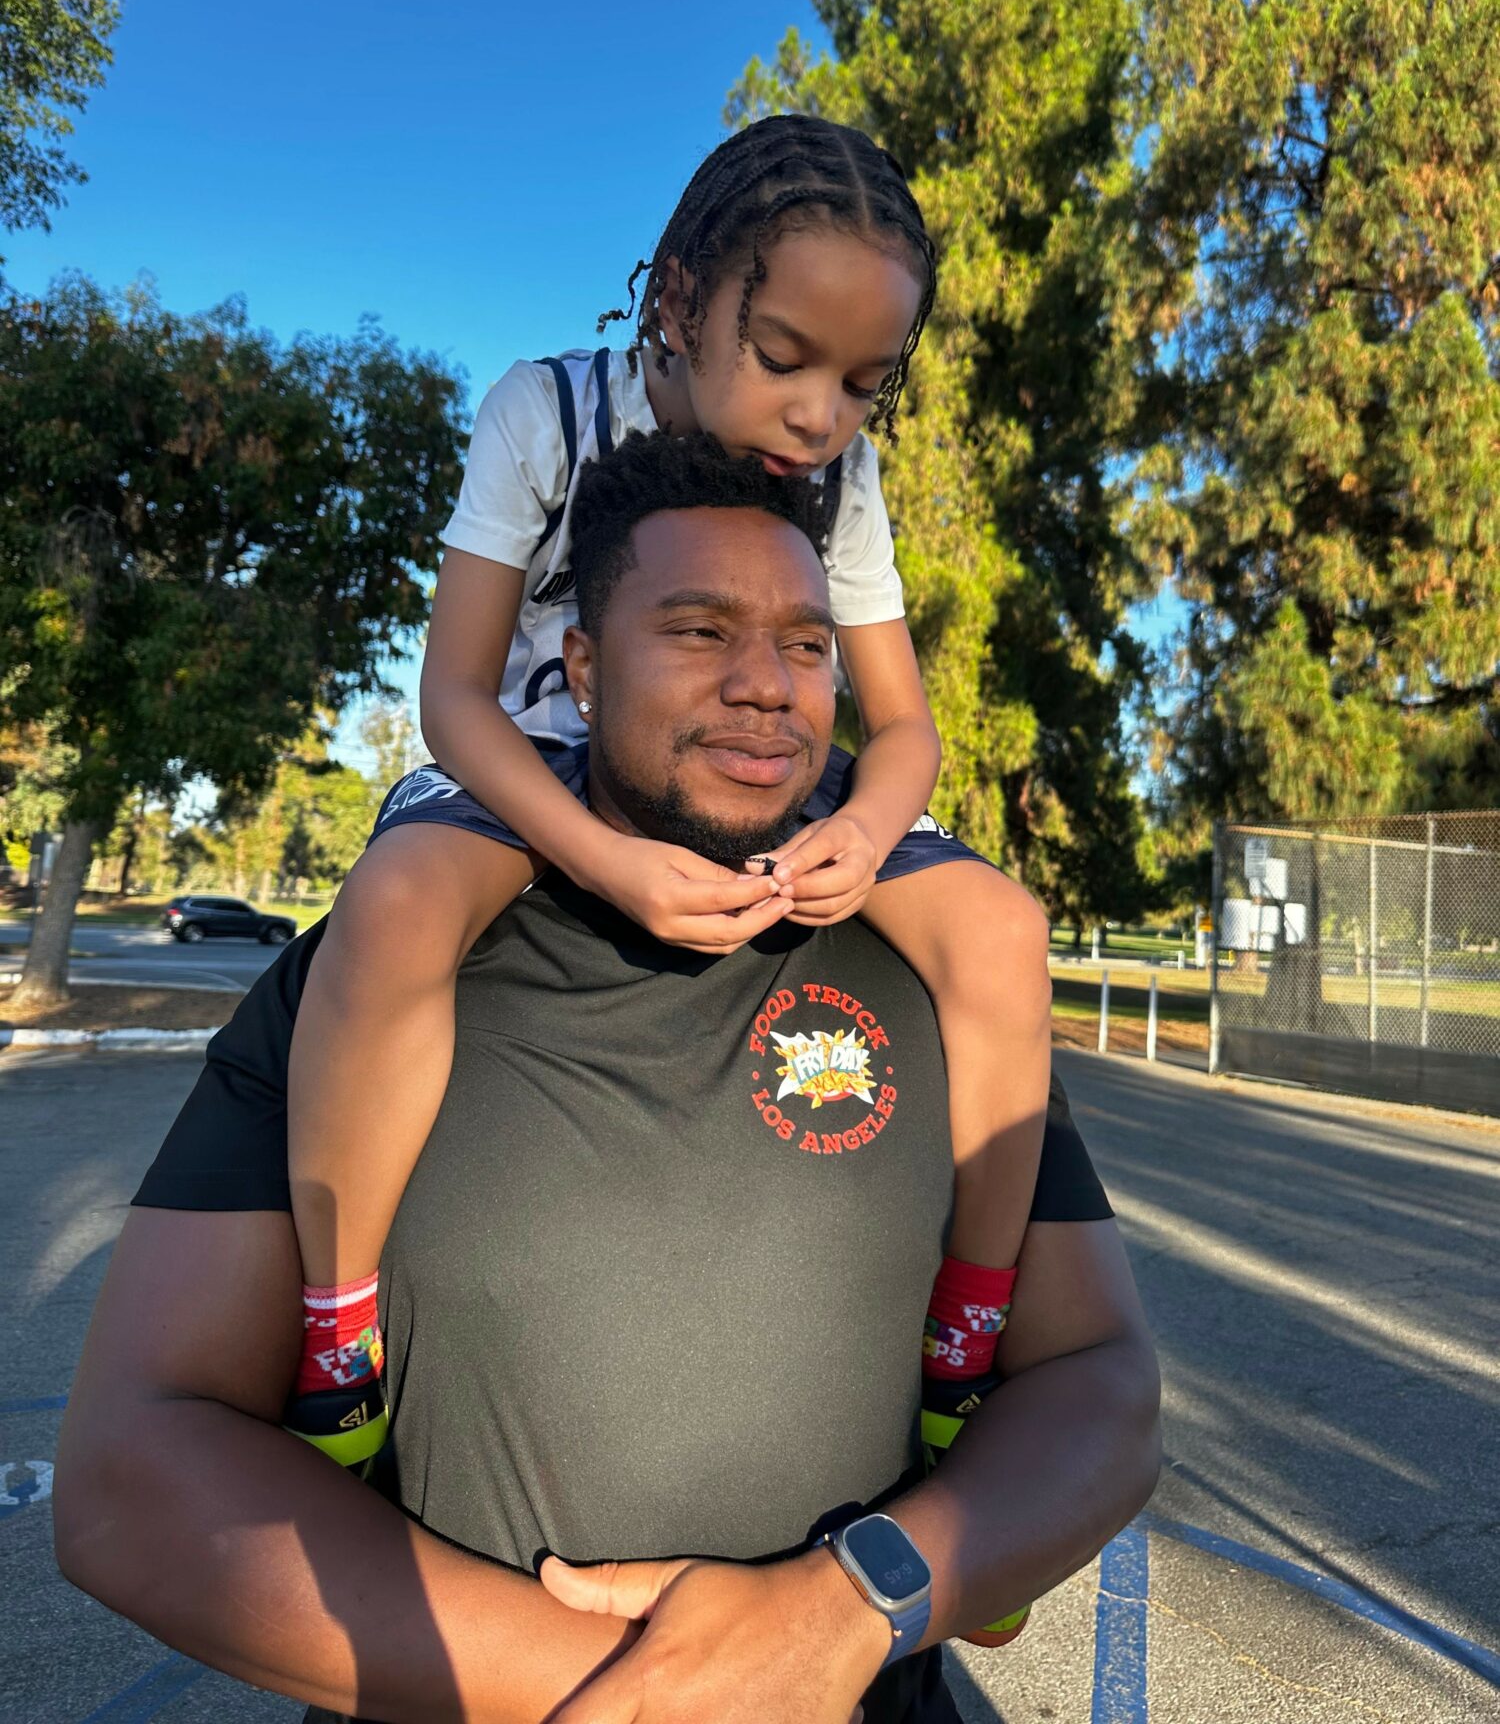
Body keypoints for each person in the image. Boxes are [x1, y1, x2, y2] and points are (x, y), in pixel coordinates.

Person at [55, 431, 1161, 1724]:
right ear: (581, 669)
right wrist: (672, 1698)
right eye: (699, 631)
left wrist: (855, 1607)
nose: (767, 685)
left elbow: (1104, 1389)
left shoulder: (938, 977)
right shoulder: (376, 981)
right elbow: (131, 1485)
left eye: (808, 645)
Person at [284, 119, 1055, 1573]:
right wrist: (600, 856)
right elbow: (454, 698)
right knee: (397, 904)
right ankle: (337, 1330)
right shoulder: (544, 412)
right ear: (682, 297)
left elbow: (903, 730)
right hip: (537, 757)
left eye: (862, 384)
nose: (819, 416)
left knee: (1005, 934)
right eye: (785, 357)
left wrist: (863, 831)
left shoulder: (845, 486)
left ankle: (965, 1337)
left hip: (772, 773)